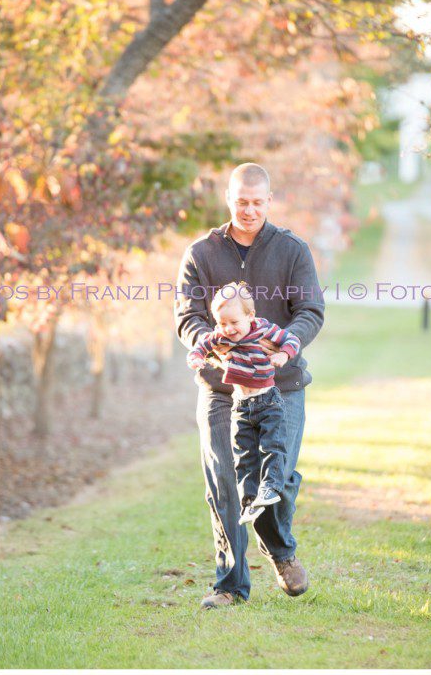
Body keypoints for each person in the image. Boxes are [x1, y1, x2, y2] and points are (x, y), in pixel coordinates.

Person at [174, 162, 325, 609]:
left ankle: (280, 553)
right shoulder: (201, 253)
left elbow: (310, 311)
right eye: (241, 201)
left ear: (269, 202)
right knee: (224, 478)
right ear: (228, 199)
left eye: (258, 202)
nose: (249, 210)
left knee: (275, 477)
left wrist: (287, 348)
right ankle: (229, 584)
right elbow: (187, 317)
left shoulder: (293, 251)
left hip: (281, 383)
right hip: (223, 388)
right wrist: (210, 344)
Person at [186, 282, 301, 526]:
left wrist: (283, 354)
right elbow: (201, 345)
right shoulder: (220, 335)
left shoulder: (263, 330)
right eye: (222, 323)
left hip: (268, 401)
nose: (227, 329)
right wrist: (196, 358)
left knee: (272, 446)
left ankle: (270, 488)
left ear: (250, 316)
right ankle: (249, 500)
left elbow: (291, 340)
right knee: (244, 455)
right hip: (241, 405)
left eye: (234, 323)